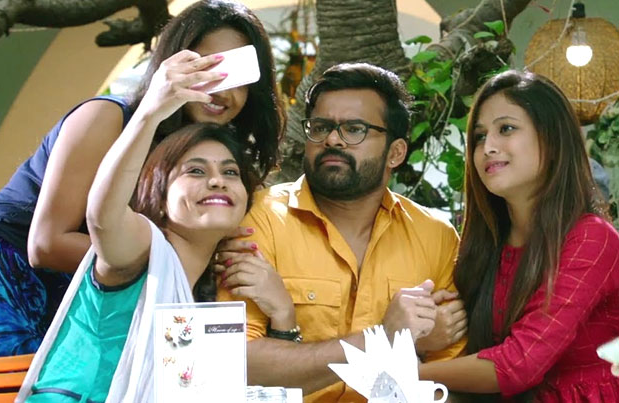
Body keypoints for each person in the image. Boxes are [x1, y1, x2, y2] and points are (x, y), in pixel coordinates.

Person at [0, 0, 284, 357]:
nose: (221, 90)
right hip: (7, 280)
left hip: (102, 304)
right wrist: (175, 261)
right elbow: (46, 246)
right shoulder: (107, 117)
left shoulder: (217, 157)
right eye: (206, 68)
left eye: (238, 75)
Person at [217, 63, 467, 402]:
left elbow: (448, 382)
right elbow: (235, 362)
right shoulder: (260, 219)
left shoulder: (435, 237)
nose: (332, 139)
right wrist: (386, 339)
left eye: (354, 129)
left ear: (395, 153)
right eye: (321, 127)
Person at [17, 119, 292, 401]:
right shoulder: (143, 248)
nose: (217, 181)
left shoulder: (205, 295)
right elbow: (103, 217)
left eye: (230, 172)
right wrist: (151, 113)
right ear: (159, 196)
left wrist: (283, 315)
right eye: (196, 171)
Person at [419, 70, 619, 401]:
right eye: (479, 137)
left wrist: (405, 373)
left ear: (551, 140)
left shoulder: (592, 239)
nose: (488, 147)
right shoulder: (485, 244)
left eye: (506, 129)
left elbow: (519, 362)